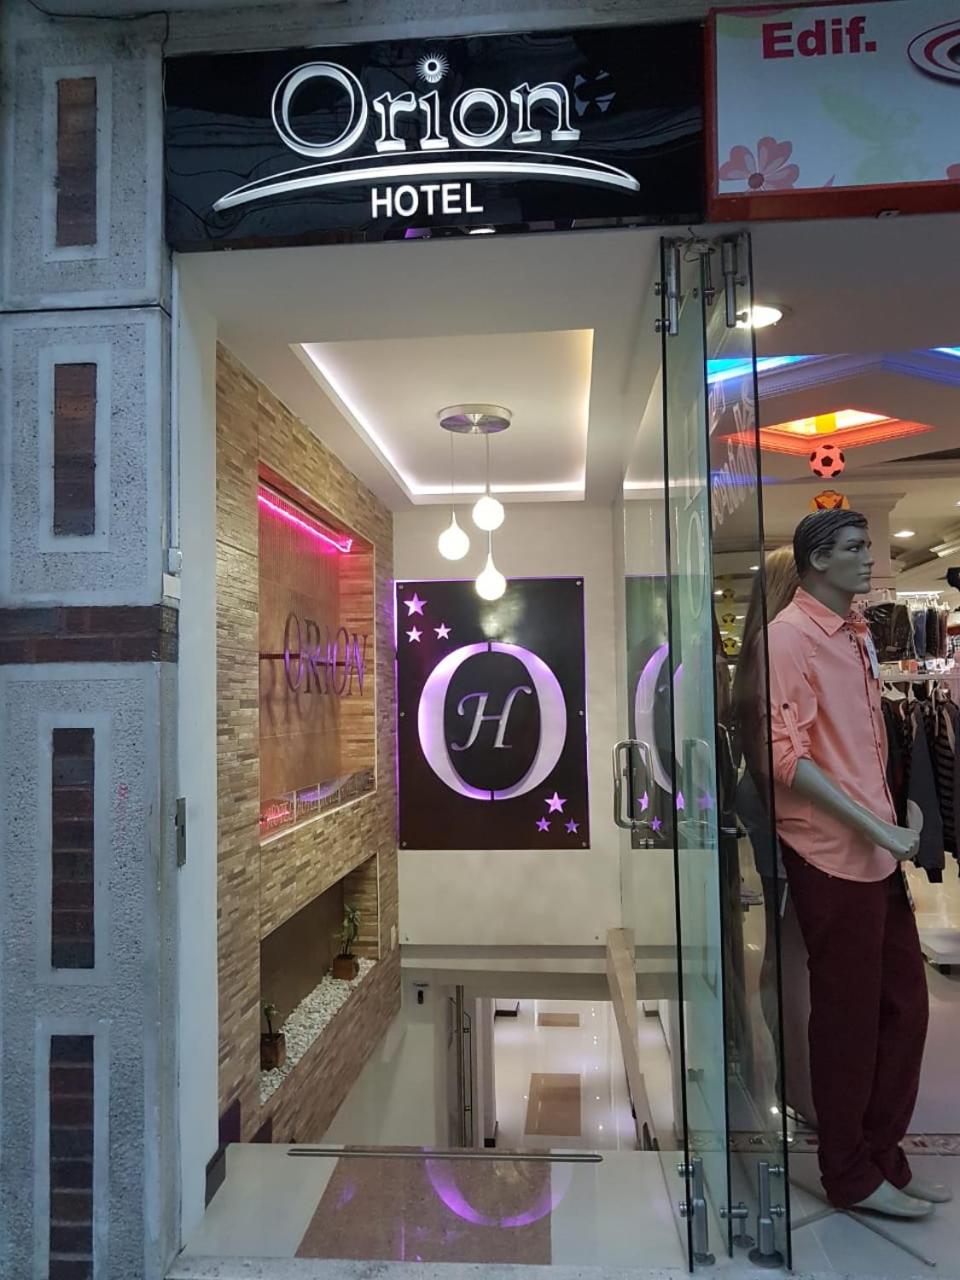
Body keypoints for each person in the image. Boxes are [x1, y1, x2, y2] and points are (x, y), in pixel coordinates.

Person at [766, 509, 945, 1218]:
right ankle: (847, 1169)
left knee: (905, 1006)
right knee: (847, 1018)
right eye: (854, 548)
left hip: (877, 850)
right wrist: (875, 825)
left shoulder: (859, 632)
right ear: (817, 561)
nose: (869, 558)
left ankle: (881, 1155)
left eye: (867, 545)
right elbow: (786, 757)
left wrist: (893, 816)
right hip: (830, 853)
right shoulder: (789, 639)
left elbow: (862, 741)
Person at [730, 547, 816, 1127]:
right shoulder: (780, 650)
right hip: (787, 812)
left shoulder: (759, 654)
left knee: (789, 947)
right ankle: (798, 1082)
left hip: (772, 808)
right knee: (795, 951)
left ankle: (793, 1077)